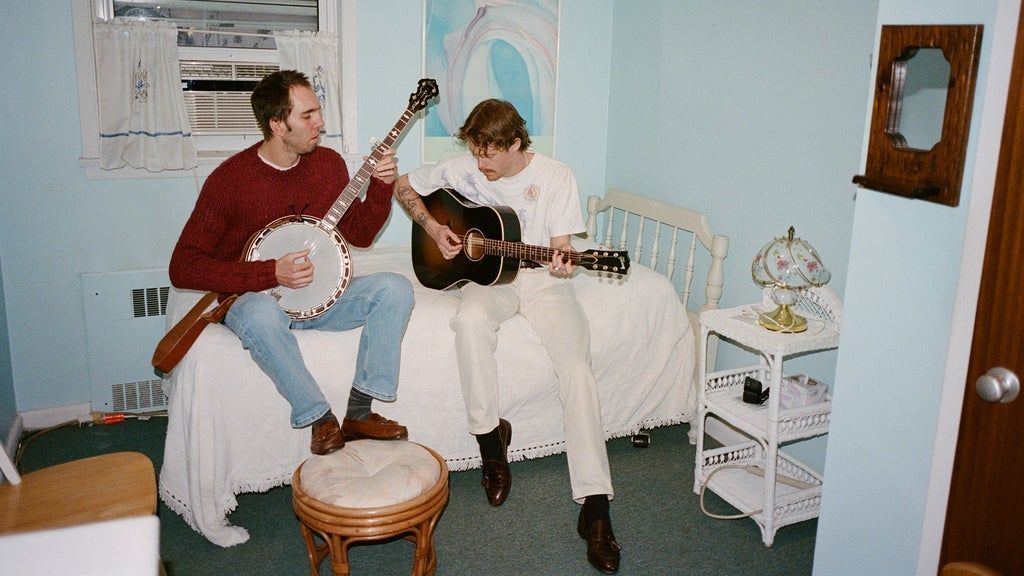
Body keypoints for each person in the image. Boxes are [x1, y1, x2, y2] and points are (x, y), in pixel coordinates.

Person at [394, 99, 622, 574]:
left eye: (490, 154)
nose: (480, 164)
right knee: (469, 322)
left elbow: (560, 248)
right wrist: (434, 227)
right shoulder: (463, 166)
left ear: (516, 143)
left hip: (542, 281)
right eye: (475, 152)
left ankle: (596, 505)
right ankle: (490, 443)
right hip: (491, 280)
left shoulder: (556, 176)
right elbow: (404, 186)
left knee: (576, 367)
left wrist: (565, 263)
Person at [169, 70, 413, 456]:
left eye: (318, 111)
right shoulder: (229, 181)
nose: (320, 123)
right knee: (258, 314)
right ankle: (318, 417)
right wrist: (269, 272)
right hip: (259, 299)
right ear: (278, 125)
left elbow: (362, 234)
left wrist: (382, 187)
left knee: (395, 288)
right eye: (308, 115)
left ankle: (360, 411)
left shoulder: (328, 164)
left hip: (323, 297)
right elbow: (183, 266)